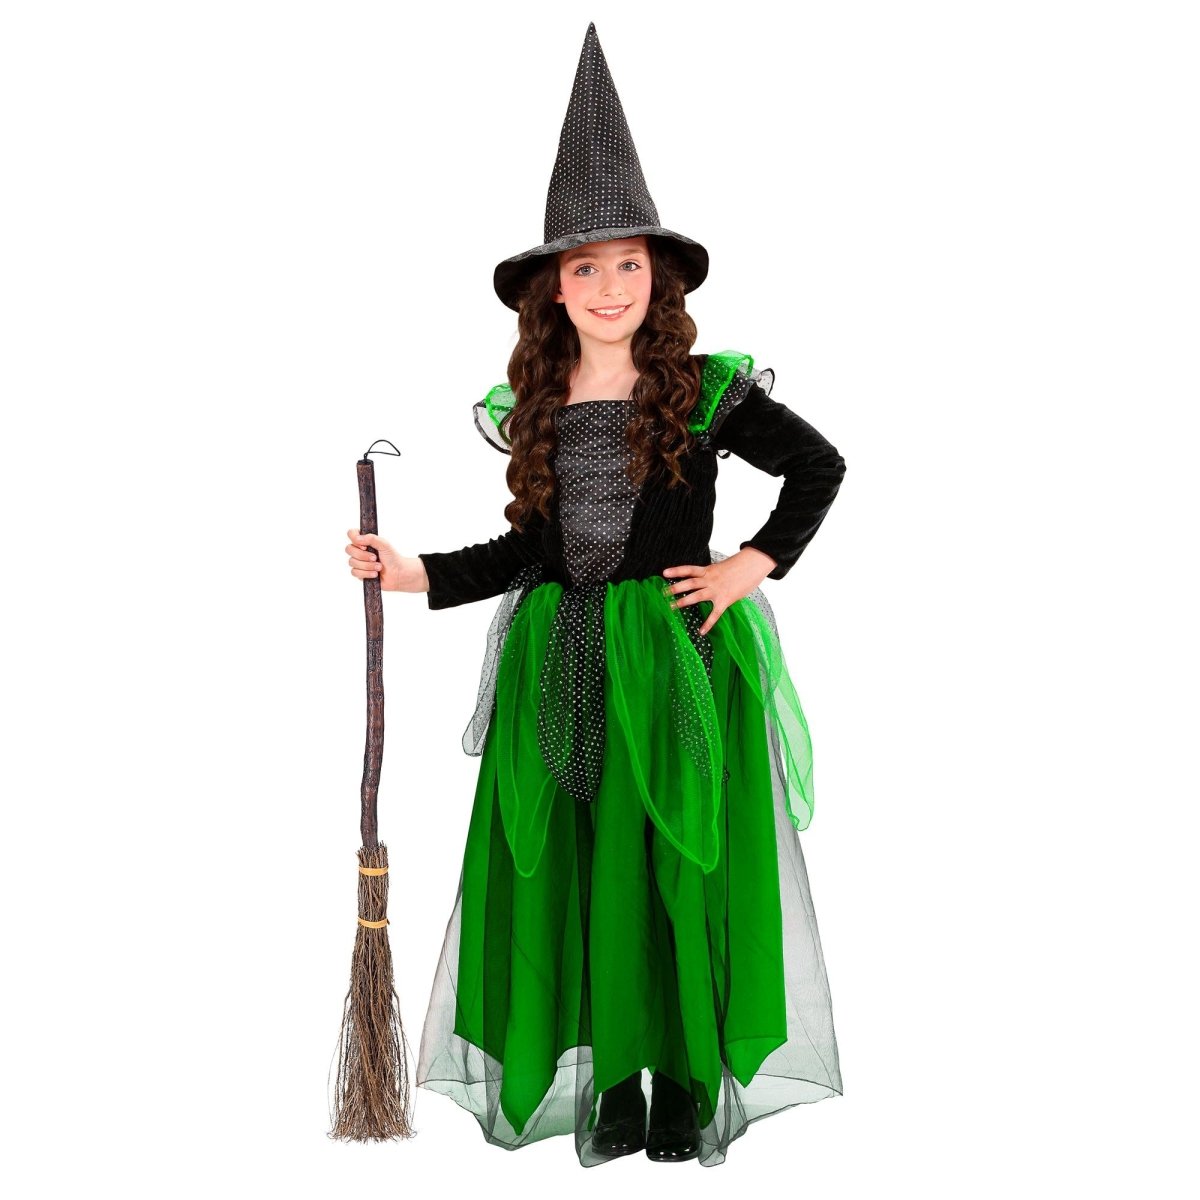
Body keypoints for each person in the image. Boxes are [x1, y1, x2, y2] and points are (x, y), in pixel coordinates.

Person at [342, 24, 846, 1169]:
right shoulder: (540, 405)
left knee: (675, 867)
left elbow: (818, 467)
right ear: (551, 290)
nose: (609, 287)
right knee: (586, 868)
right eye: (585, 269)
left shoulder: (703, 392)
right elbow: (529, 550)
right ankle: (611, 1079)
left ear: (658, 278)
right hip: (565, 663)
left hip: (673, 661)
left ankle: (685, 1080)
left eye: (628, 266)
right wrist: (413, 572)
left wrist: (751, 564)